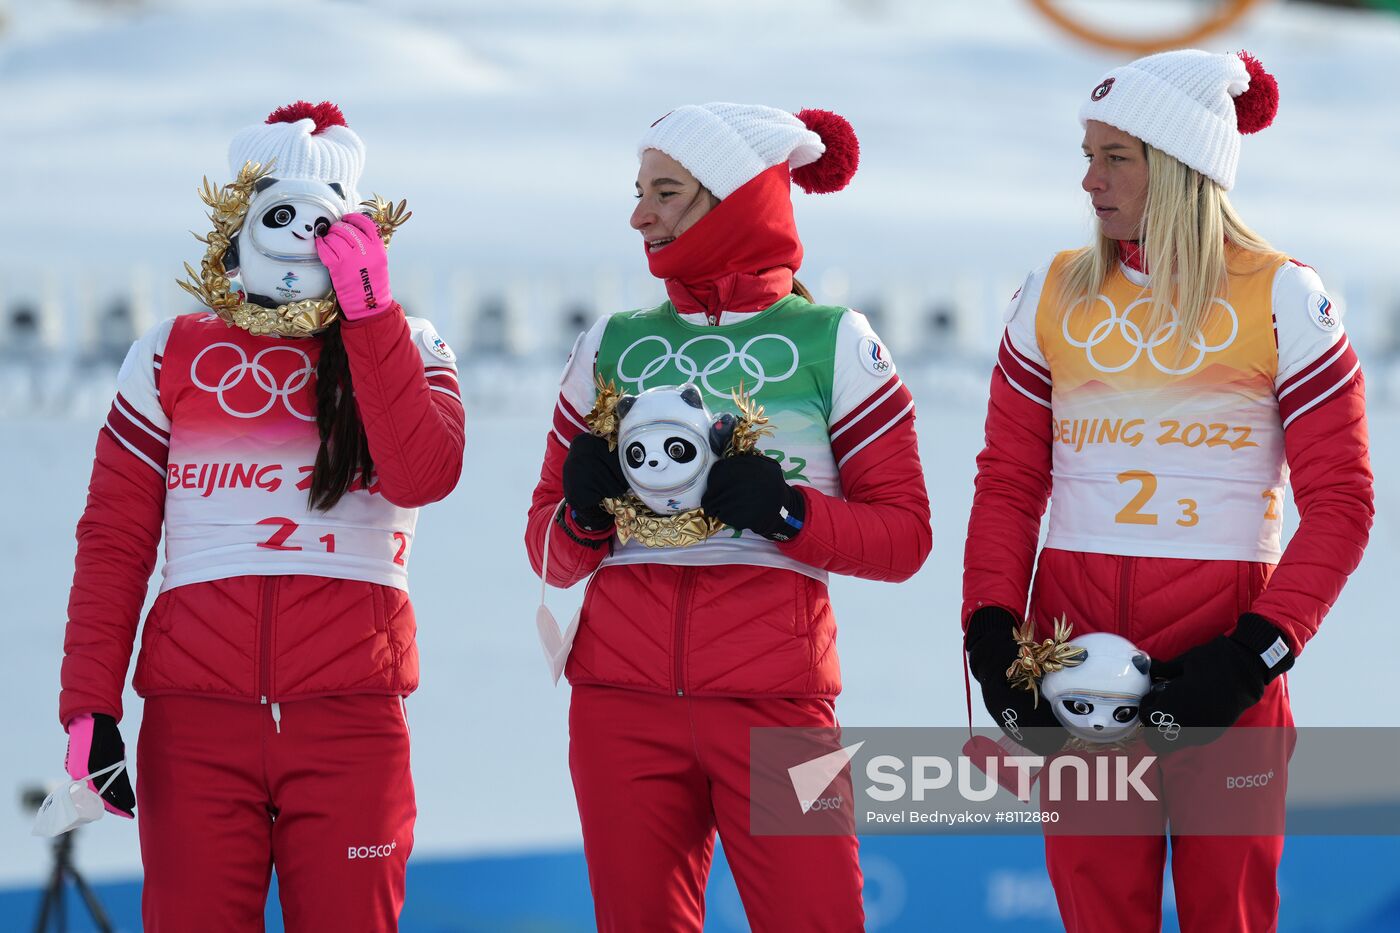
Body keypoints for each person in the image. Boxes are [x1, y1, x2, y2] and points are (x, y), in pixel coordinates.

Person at [962, 50, 1374, 931]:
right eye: (1087, 152)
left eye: (1117, 156)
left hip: (1221, 670)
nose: (1089, 180)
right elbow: (1007, 483)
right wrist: (991, 630)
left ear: (1183, 167)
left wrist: (1256, 653)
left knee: (1227, 914)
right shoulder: (1051, 293)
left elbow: (1342, 505)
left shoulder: (1283, 297)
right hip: (1080, 670)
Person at [57, 101, 465, 930]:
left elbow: (425, 473)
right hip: (193, 727)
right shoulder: (171, 350)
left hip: (352, 724)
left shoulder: (410, 342)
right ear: (237, 221)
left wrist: (372, 319)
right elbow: (114, 541)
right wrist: (88, 706)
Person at [525, 103, 931, 931]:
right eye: (638, 192)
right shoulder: (611, 342)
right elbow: (547, 550)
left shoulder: (832, 340)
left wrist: (788, 513)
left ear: (736, 198)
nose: (640, 215)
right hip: (618, 705)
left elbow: (904, 539)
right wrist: (583, 514)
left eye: (665, 192)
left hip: (776, 705)